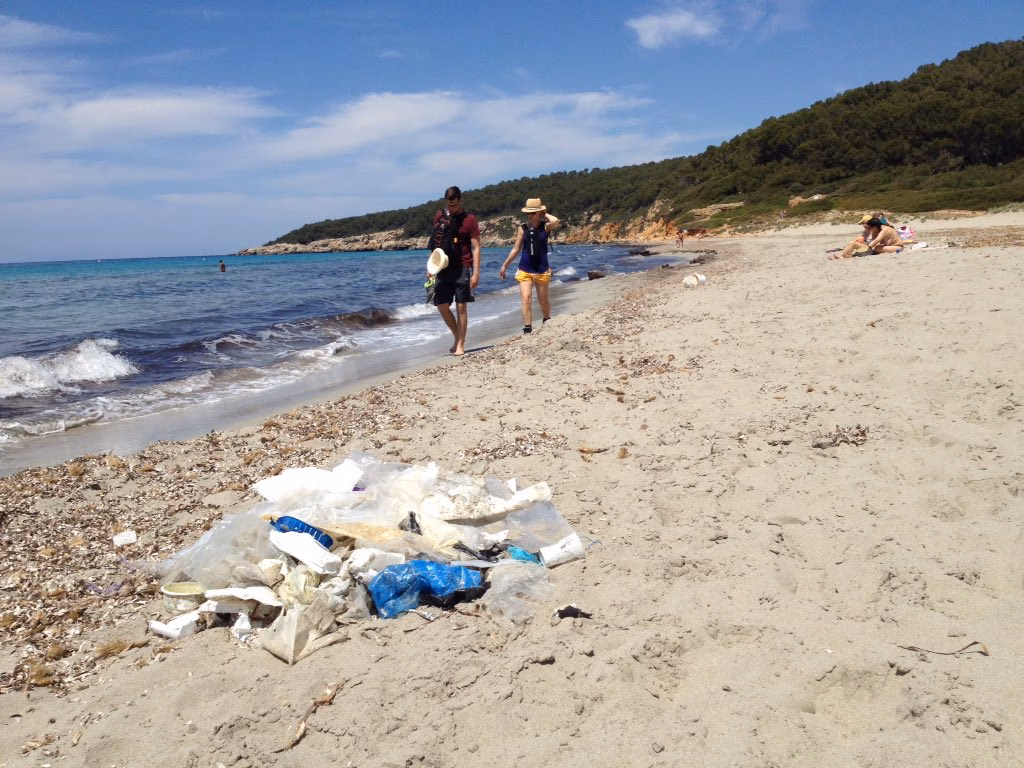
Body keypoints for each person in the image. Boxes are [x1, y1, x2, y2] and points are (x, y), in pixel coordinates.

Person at [428, 186, 481, 356]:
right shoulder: (440, 216)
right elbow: (435, 243)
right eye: (449, 205)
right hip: (442, 267)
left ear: (460, 201)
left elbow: (476, 246)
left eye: (455, 205)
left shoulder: (470, 219)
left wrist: (476, 273)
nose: (452, 208)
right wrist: (430, 267)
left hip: (463, 267)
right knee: (441, 305)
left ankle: (460, 344)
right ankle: (457, 336)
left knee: (461, 306)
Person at [499, 198, 561, 334]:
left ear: (539, 213)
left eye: (533, 213)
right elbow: (515, 249)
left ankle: (547, 320)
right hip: (525, 269)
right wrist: (505, 265)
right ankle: (528, 328)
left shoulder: (545, 227)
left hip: (542, 269)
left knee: (543, 300)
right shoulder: (522, 229)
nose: (530, 215)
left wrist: (544, 213)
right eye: (528, 213)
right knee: (526, 298)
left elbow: (556, 221)